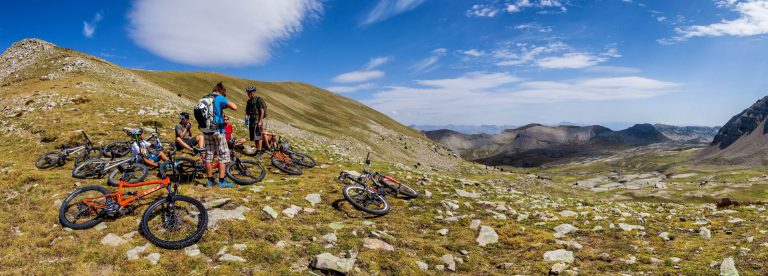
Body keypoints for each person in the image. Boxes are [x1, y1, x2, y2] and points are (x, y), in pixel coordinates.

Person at [200, 82, 237, 188]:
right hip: (218, 131)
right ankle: (221, 182)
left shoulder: (204, 98)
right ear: (221, 91)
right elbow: (235, 107)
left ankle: (209, 181)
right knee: (223, 156)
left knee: (208, 156)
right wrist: (225, 101)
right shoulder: (219, 98)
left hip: (206, 131)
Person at [245, 85, 266, 153]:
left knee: (258, 136)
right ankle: (257, 150)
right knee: (254, 137)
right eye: (248, 93)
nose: (249, 94)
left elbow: (262, 110)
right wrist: (246, 116)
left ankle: (259, 151)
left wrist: (260, 121)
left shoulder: (259, 99)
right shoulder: (249, 101)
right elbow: (247, 111)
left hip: (257, 121)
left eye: (250, 92)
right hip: (251, 121)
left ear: (254, 92)